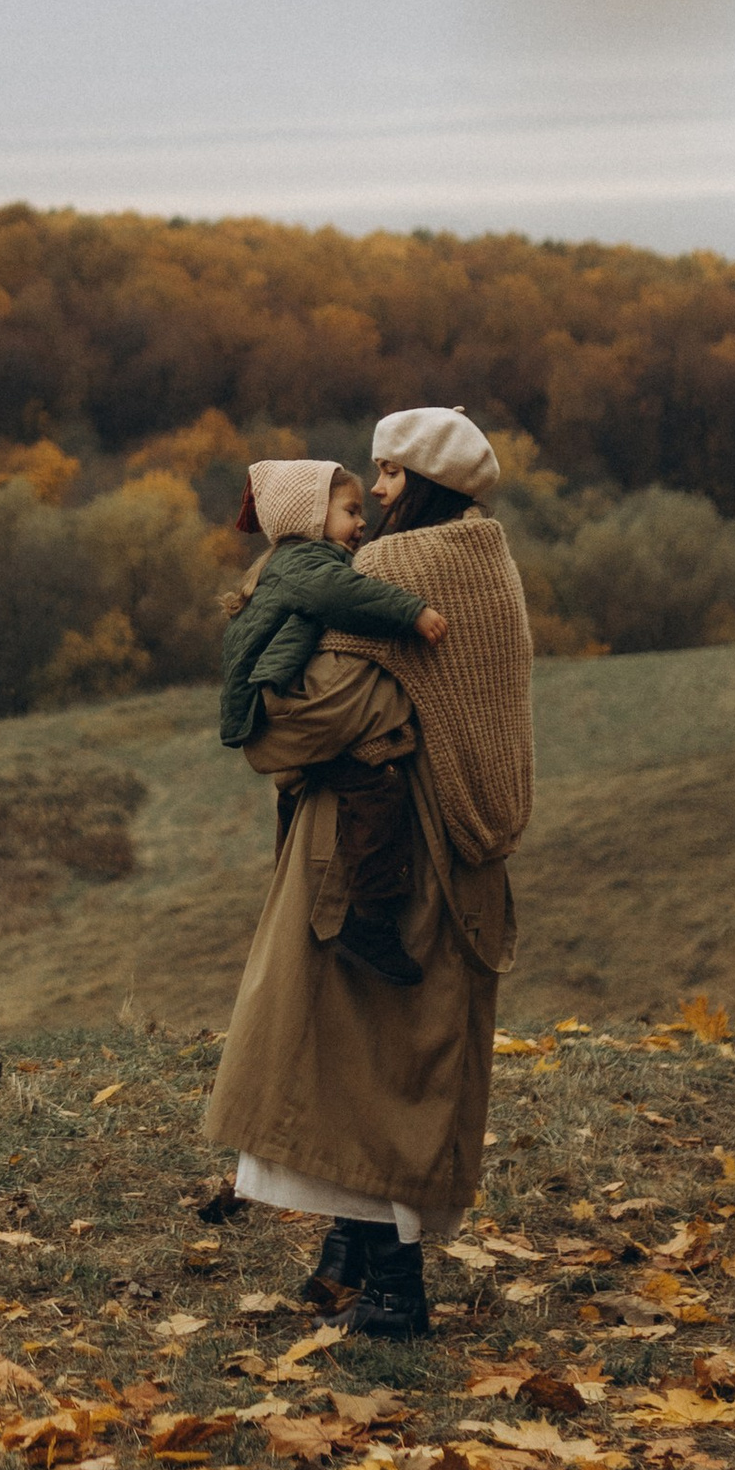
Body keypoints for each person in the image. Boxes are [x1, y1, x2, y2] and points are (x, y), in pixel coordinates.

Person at [203, 406, 535, 1340]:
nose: (376, 494)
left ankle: (394, 1286)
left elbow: (309, 720)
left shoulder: (396, 571)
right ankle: (351, 1251)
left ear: (425, 483)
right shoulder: (490, 567)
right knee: (372, 1050)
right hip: (451, 847)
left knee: (373, 1054)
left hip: (388, 857)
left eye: (389, 477)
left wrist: (267, 712)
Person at [220, 457, 451, 987]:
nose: (362, 521)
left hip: (267, 702)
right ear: (308, 518)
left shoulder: (287, 564)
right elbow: (343, 596)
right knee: (375, 784)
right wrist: (410, 612)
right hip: (279, 704)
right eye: (349, 511)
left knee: (310, 789)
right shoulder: (308, 565)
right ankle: (370, 919)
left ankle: (295, 888)